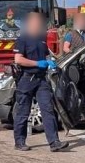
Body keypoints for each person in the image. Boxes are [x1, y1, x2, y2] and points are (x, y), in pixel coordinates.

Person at [12, 10, 69, 152]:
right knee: (23, 112)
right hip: (27, 79)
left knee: (48, 109)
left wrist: (50, 62)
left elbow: (46, 55)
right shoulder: (22, 39)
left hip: (41, 80)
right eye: (36, 22)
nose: (39, 25)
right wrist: (37, 64)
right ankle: (19, 141)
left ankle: (54, 142)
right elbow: (18, 59)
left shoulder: (42, 39)